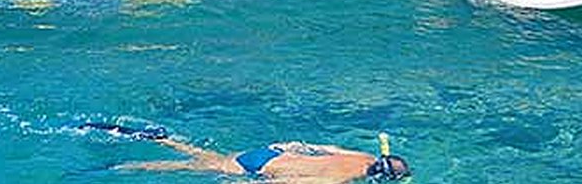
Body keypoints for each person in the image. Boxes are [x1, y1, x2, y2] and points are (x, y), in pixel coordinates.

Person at [102, 125, 411, 183]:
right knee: (190, 166)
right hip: (256, 168)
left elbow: (324, 149)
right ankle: (125, 166)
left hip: (270, 151)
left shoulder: (361, 156)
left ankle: (162, 138)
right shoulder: (338, 181)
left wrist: (285, 149)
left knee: (202, 156)